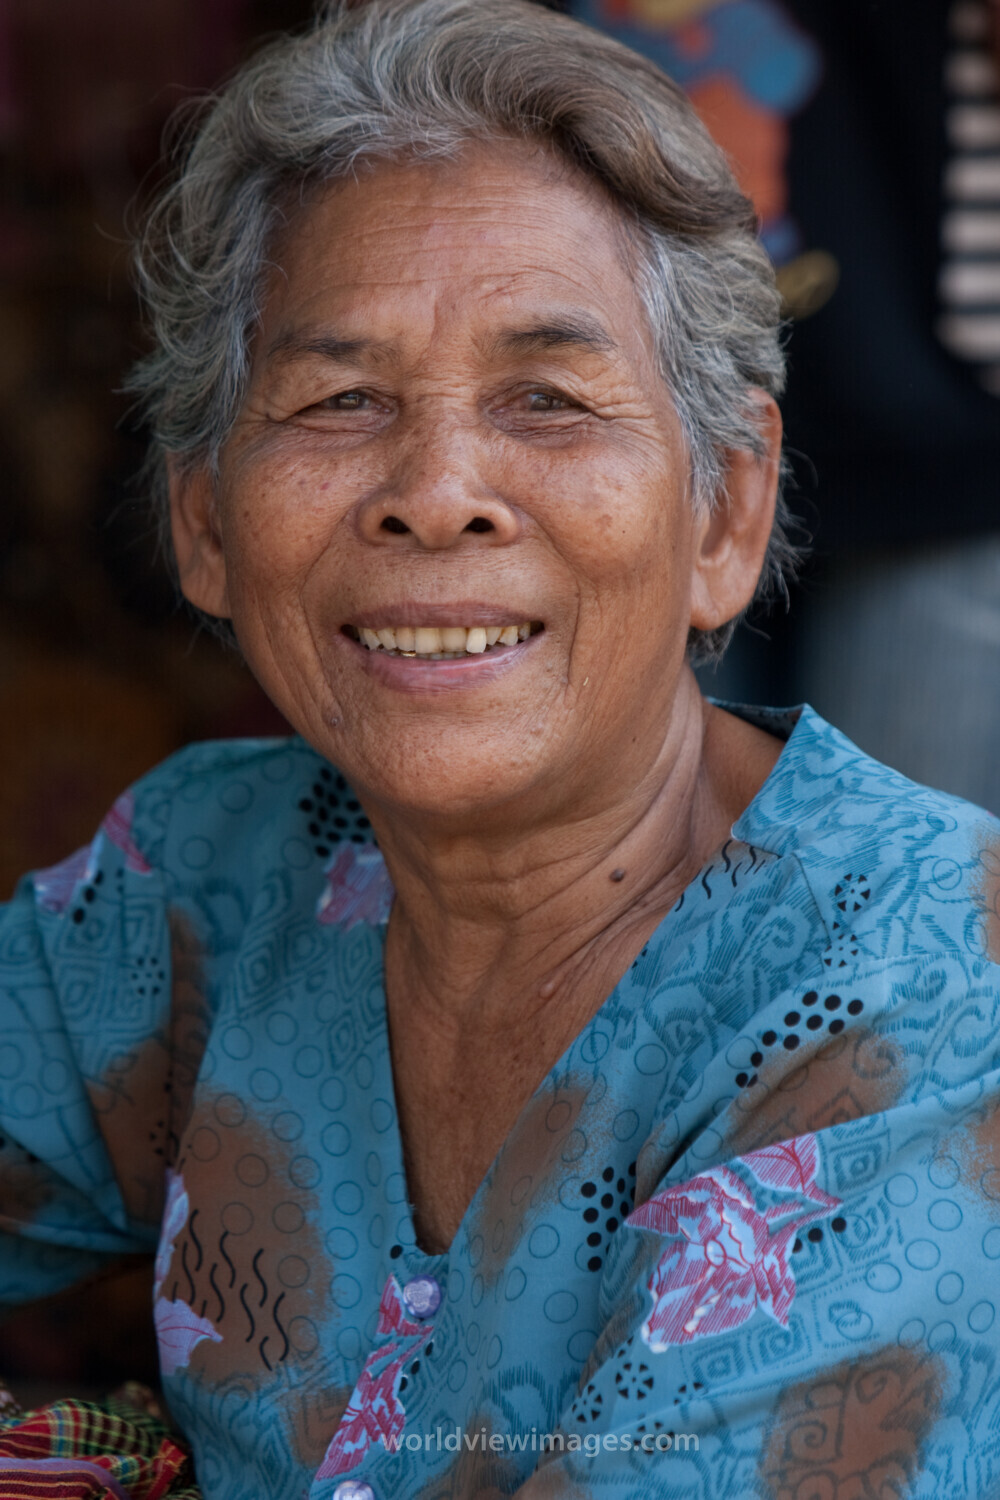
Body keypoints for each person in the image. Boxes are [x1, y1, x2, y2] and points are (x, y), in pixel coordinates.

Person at [1, 1, 998, 1497]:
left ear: (724, 514)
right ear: (204, 523)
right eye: (340, 400)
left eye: (547, 398)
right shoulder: (204, 877)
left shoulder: (924, 1001)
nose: (438, 492)